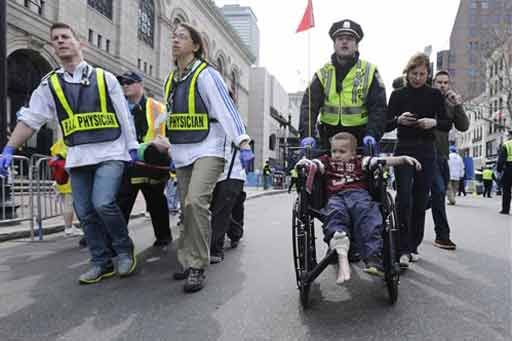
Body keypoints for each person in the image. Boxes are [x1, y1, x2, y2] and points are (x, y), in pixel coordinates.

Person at [0, 23, 139, 284]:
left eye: (66, 37)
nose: (60, 41)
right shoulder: (49, 84)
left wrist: (131, 147)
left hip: (110, 153)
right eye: (55, 39)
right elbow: (31, 119)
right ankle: (100, 261)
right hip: (78, 157)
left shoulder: (104, 77)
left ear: (80, 44)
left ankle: (123, 250)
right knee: (84, 212)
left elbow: (123, 115)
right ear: (53, 46)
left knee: (103, 203)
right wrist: (9, 148)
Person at [163, 23, 253, 293]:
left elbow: (226, 109)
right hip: (181, 152)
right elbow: (169, 115)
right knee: (185, 210)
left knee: (195, 202)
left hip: (209, 149)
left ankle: (197, 266)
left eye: (182, 37)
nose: (175, 40)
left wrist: (242, 140)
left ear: (196, 45)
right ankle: (187, 258)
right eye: (173, 36)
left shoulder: (206, 75)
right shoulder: (172, 78)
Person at [298, 132, 421, 284]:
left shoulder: (361, 161)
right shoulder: (327, 161)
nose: (337, 155)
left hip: (359, 195)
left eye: (342, 151)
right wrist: (304, 162)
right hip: (336, 197)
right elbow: (314, 164)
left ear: (353, 153)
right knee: (335, 214)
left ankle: (373, 257)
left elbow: (380, 161)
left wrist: (402, 159)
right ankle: (339, 240)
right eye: (334, 151)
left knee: (369, 217)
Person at [386, 53, 451, 268]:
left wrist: (433, 122)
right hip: (404, 148)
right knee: (404, 197)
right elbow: (385, 124)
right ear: (407, 73)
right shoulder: (397, 95)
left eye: (422, 74)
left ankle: (413, 246)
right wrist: (398, 120)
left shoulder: (434, 95)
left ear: (428, 74)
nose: (418, 78)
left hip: (426, 150)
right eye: (414, 74)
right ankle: (401, 247)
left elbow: (446, 123)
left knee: (421, 199)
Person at [298, 19, 387, 150]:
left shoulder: (370, 71)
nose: (344, 42)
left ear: (356, 45)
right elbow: (309, 106)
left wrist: (372, 134)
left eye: (350, 39)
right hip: (328, 136)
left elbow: (378, 108)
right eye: (340, 38)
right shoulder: (323, 73)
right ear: (334, 44)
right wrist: (307, 135)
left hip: (361, 138)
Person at [116, 70, 172, 249]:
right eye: (123, 82)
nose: (125, 85)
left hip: (152, 164)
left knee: (156, 203)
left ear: (140, 84)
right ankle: (117, 242)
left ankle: (163, 237)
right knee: (122, 203)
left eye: (129, 82)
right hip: (128, 163)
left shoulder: (157, 108)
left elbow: (167, 133)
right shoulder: (118, 106)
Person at [430, 70, 469, 249]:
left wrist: (458, 105)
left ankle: (403, 216)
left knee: (434, 195)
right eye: (439, 82)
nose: (443, 85)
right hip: (426, 153)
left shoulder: (450, 103)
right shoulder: (426, 98)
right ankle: (442, 235)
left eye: (446, 83)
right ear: (433, 83)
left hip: (442, 156)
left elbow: (463, 126)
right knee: (438, 191)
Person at [210, 142, 246, 263]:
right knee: (217, 210)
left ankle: (215, 249)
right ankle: (236, 231)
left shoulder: (231, 125)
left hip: (232, 174)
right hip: (212, 173)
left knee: (221, 210)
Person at [49, 138, 85, 240]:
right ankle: (69, 228)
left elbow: (53, 154)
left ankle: (69, 227)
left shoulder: (59, 142)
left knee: (66, 203)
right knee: (71, 204)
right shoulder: (71, 142)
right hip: (71, 177)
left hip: (61, 178)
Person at [497, 131, 512, 214]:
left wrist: (499, 170)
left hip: (509, 169)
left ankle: (505, 209)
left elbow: (501, 159)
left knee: (506, 190)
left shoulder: (506, 144)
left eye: (508, 135)